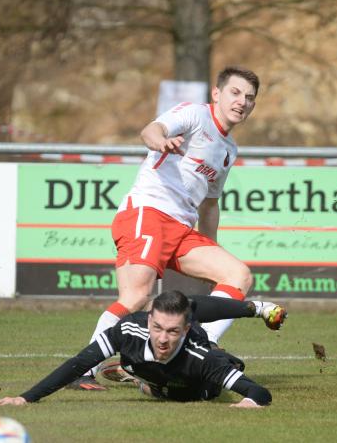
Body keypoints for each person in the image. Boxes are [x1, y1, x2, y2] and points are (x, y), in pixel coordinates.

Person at [73, 66, 261, 390]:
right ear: (216, 93)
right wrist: (161, 142)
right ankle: (83, 371)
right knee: (136, 296)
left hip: (182, 228)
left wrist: (210, 247)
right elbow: (149, 130)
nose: (242, 102)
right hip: (149, 211)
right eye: (235, 92)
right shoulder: (193, 115)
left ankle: (202, 344)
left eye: (249, 97)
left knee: (238, 276)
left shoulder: (229, 150)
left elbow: (210, 204)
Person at [0, 291, 284, 408]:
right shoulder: (129, 330)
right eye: (157, 328)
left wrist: (250, 403)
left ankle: (139, 379)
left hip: (191, 384)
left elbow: (260, 393)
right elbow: (78, 364)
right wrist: (25, 398)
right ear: (149, 320)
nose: (163, 338)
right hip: (145, 358)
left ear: (186, 328)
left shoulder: (202, 359)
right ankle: (136, 373)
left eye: (172, 331)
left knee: (187, 393)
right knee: (145, 364)